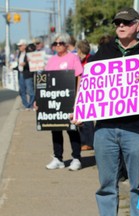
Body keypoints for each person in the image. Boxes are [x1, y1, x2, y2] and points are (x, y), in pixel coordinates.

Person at [87, 7, 139, 216]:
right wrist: (79, 110)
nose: (121, 26)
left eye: (127, 22)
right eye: (118, 23)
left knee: (138, 184)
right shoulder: (103, 52)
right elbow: (87, 85)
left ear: (138, 26)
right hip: (105, 128)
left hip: (136, 128)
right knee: (106, 185)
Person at [44, 32, 83, 171]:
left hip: (69, 99)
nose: (58, 46)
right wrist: (40, 101)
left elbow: (79, 76)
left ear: (66, 44)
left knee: (72, 129)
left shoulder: (73, 58)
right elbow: (46, 80)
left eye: (60, 43)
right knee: (55, 129)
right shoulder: (51, 60)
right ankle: (58, 158)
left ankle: (76, 157)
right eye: (55, 43)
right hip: (55, 101)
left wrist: (78, 96)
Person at [76, 39, 95, 151]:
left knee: (88, 121)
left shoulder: (91, 59)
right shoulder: (78, 61)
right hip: (80, 92)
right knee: (81, 120)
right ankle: (83, 142)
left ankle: (90, 142)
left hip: (89, 93)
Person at [15, 39, 35, 110]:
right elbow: (18, 63)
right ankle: (26, 105)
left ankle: (31, 104)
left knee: (30, 90)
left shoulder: (29, 52)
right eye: (18, 46)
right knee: (22, 91)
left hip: (27, 73)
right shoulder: (20, 53)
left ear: (24, 45)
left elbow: (33, 62)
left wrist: (26, 63)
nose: (19, 47)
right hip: (20, 73)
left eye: (20, 45)